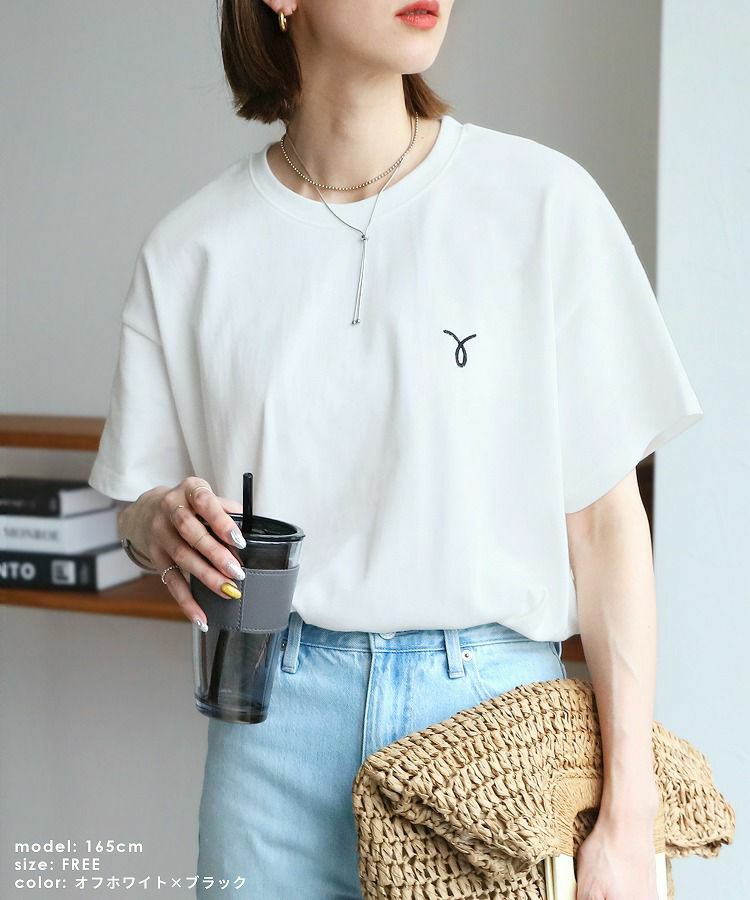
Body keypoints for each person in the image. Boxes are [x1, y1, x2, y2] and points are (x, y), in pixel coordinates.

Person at [87, 0, 704, 897]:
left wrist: (630, 815)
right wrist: (156, 522)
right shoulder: (191, 249)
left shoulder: (540, 202)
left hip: (492, 730)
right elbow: (138, 504)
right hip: (270, 737)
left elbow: (607, 528)